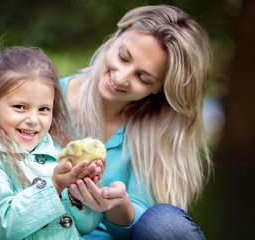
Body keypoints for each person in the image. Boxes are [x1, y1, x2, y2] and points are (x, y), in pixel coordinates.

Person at [60, 4, 212, 240]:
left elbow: (149, 230)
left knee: (165, 222)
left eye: (143, 77)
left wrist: (119, 206)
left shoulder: (155, 134)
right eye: (123, 56)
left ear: (161, 88)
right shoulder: (45, 100)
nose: (120, 77)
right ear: (118, 34)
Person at [0, 47, 104, 239]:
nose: (33, 119)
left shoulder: (58, 153)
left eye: (43, 109)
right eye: (20, 107)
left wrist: (78, 194)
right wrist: (55, 185)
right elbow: (6, 226)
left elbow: (84, 227)